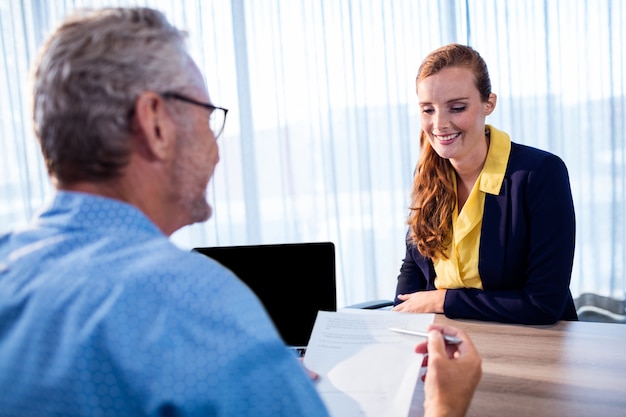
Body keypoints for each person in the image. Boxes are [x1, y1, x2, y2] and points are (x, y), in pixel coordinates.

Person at [0, 7, 480, 417]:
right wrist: (445, 407)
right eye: (206, 115)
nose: (215, 145)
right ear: (155, 123)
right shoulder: (193, 304)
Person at [392, 43, 578, 325]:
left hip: (531, 348)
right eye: (427, 110)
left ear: (488, 103)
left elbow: (544, 304)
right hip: (446, 341)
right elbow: (410, 293)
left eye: (457, 108)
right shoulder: (429, 177)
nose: (439, 124)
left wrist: (443, 300)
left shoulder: (539, 173)